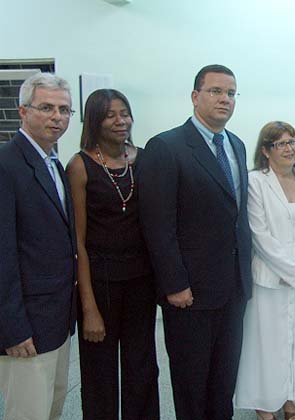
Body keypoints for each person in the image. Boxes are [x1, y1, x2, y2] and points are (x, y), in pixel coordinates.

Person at [137, 64, 252, 420]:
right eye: (216, 91)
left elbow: (236, 216)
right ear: (195, 96)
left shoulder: (236, 145)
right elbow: (158, 225)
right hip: (190, 292)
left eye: (231, 93)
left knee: (223, 380)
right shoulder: (166, 147)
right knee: (192, 382)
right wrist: (174, 283)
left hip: (232, 287)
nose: (225, 99)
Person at [66, 89, 159, 420]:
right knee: (99, 373)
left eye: (125, 113)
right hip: (99, 283)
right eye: (110, 115)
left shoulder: (143, 158)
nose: (121, 121)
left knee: (142, 367)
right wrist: (88, 307)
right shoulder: (80, 166)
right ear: (95, 120)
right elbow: (78, 242)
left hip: (141, 282)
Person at [234, 121, 295, 420]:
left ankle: (290, 399)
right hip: (269, 278)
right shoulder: (255, 182)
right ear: (265, 150)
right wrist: (290, 268)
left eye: (292, 141)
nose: (289, 148)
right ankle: (264, 402)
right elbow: (258, 234)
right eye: (280, 143)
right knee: (267, 344)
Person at [0, 72, 77, 420]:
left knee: (51, 406)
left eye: (64, 110)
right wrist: (13, 328)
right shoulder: (7, 165)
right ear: (23, 111)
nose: (56, 117)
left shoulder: (53, 162)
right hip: (25, 327)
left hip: (55, 319)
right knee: (28, 412)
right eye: (46, 108)